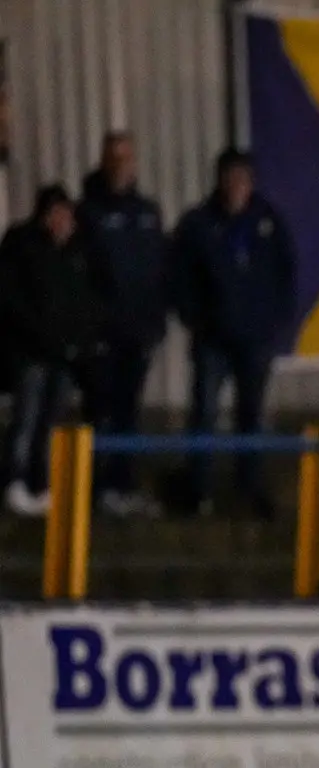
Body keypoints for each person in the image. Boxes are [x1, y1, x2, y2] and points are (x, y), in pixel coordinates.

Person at [170, 148, 295, 519]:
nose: (236, 186)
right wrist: (197, 319)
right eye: (230, 178)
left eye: (242, 178)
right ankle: (198, 490)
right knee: (205, 414)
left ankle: (250, 485)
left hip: (255, 340)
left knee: (251, 414)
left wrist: (274, 321)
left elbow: (285, 274)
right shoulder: (198, 224)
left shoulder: (267, 222)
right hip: (213, 340)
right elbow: (179, 277)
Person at [77, 131, 169, 516]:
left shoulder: (148, 212)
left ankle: (122, 485)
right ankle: (94, 489)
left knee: (129, 412)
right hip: (102, 337)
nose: (120, 165)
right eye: (113, 158)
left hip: (138, 333)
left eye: (126, 158)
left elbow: (161, 270)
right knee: (100, 411)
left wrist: (157, 322)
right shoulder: (88, 212)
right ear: (103, 161)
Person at [0, 185, 102, 517]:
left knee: (52, 422)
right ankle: (14, 482)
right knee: (26, 418)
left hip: (64, 356)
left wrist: (80, 344)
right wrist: (39, 335)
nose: (63, 221)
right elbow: (13, 299)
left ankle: (42, 482)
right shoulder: (22, 245)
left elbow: (83, 302)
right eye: (57, 214)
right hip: (31, 352)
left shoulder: (75, 253)